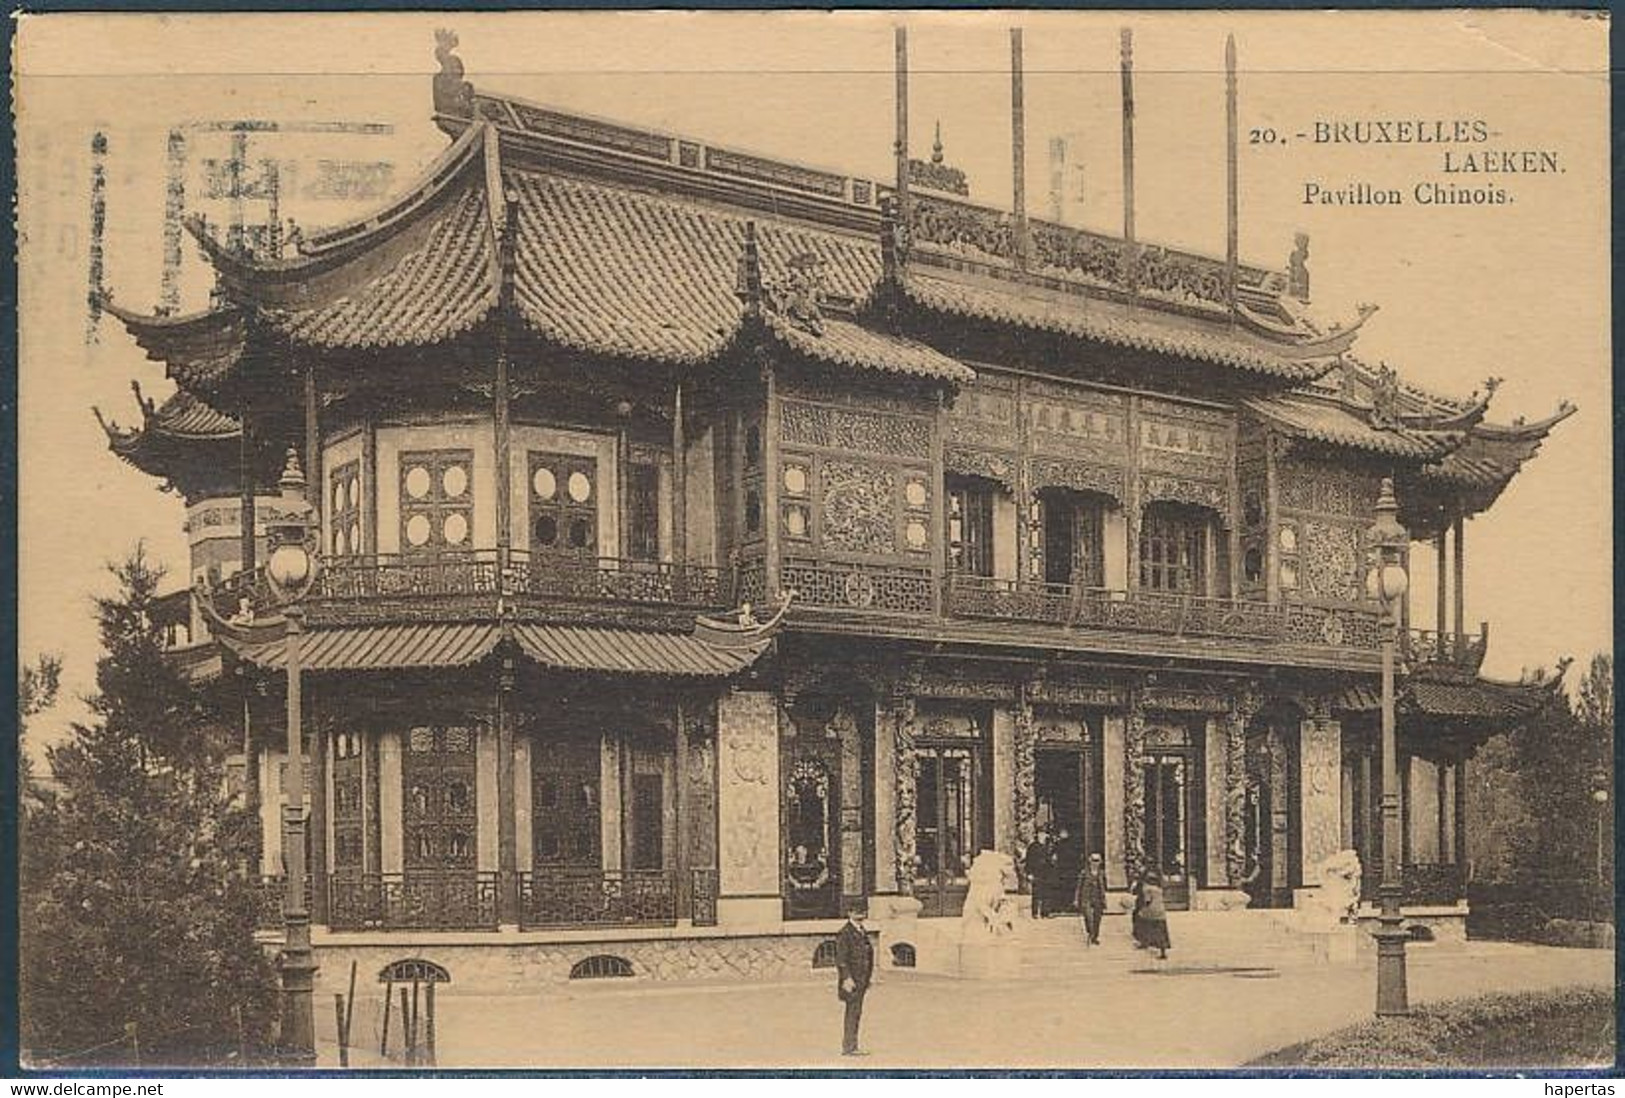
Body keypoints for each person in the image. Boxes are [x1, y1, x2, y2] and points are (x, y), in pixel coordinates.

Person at [834, 900, 875, 1056]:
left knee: (857, 1012)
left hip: (862, 979)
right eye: (857, 911)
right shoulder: (845, 933)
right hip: (851, 981)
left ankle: (853, 1045)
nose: (861, 914)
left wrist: (868, 978)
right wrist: (846, 978)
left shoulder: (862, 931)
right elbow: (841, 959)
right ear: (849, 913)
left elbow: (868, 955)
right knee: (852, 1012)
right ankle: (849, 1047)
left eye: (863, 911)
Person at [1132, 870, 1172, 960]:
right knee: (1161, 932)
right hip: (1161, 912)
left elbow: (1147, 901)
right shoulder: (1159, 889)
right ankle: (1163, 951)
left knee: (1140, 922)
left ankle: (1144, 942)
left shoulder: (1147, 889)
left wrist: (1141, 909)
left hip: (1150, 912)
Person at [1076, 852, 1108, 946]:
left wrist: (1104, 899)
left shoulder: (1101, 873)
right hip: (1086, 897)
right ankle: (1090, 933)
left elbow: (1103, 888)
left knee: (1097, 918)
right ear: (1090, 861)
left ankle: (1095, 937)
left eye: (1097, 861)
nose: (1095, 863)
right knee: (1088, 917)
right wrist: (1076, 899)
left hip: (1097, 897)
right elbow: (1079, 887)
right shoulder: (1084, 873)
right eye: (1093, 860)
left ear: (1100, 862)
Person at [1022, 831, 1054, 919]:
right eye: (1041, 834)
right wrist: (1029, 873)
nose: (1043, 836)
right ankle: (1035, 913)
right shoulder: (1033, 847)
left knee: (1046, 893)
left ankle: (1045, 913)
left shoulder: (1048, 846)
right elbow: (1028, 861)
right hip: (1036, 872)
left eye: (1044, 835)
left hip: (1046, 873)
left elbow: (1051, 859)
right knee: (1036, 893)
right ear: (1038, 835)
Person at [1052, 828, 1082, 915]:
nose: (1062, 834)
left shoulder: (1070, 844)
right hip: (1064, 870)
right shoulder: (1058, 844)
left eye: (1064, 833)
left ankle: (1067, 905)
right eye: (1061, 833)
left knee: (1068, 889)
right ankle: (1065, 906)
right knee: (1065, 889)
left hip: (1068, 870)